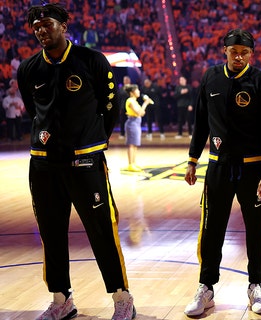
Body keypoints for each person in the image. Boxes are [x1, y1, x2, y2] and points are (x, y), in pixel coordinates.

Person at [16, 3, 136, 319]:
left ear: (64, 25)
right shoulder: (28, 69)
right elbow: (34, 111)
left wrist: (92, 141)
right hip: (43, 164)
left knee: (102, 231)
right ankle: (62, 299)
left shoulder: (91, 60)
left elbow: (111, 106)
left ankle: (122, 298)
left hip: (85, 162)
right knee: (51, 233)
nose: (42, 30)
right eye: (36, 27)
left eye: (48, 24)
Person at [183, 28, 261, 317]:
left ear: (251, 54)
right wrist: (192, 159)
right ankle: (206, 288)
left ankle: (256, 286)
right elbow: (200, 121)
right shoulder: (211, 77)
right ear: (224, 51)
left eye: (244, 52)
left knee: (256, 230)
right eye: (234, 51)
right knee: (212, 230)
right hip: (218, 166)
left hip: (253, 169)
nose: (239, 56)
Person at [123, 84, 153, 171]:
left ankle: (134, 163)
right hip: (132, 123)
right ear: (132, 93)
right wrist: (146, 103)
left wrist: (143, 108)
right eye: (137, 90)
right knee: (131, 144)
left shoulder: (134, 101)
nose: (139, 91)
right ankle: (130, 164)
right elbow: (140, 112)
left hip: (136, 123)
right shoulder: (130, 101)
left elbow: (142, 113)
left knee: (135, 144)